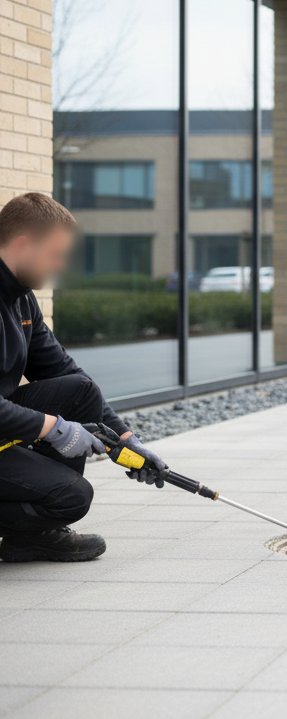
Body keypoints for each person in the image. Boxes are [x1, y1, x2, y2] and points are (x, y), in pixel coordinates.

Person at [0, 193, 168, 562]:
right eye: (56, 254)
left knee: (80, 391)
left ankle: (29, 537)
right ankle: (31, 525)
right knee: (71, 496)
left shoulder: (21, 299)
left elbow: (65, 372)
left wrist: (126, 438)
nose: (60, 266)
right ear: (23, 244)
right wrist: (54, 429)